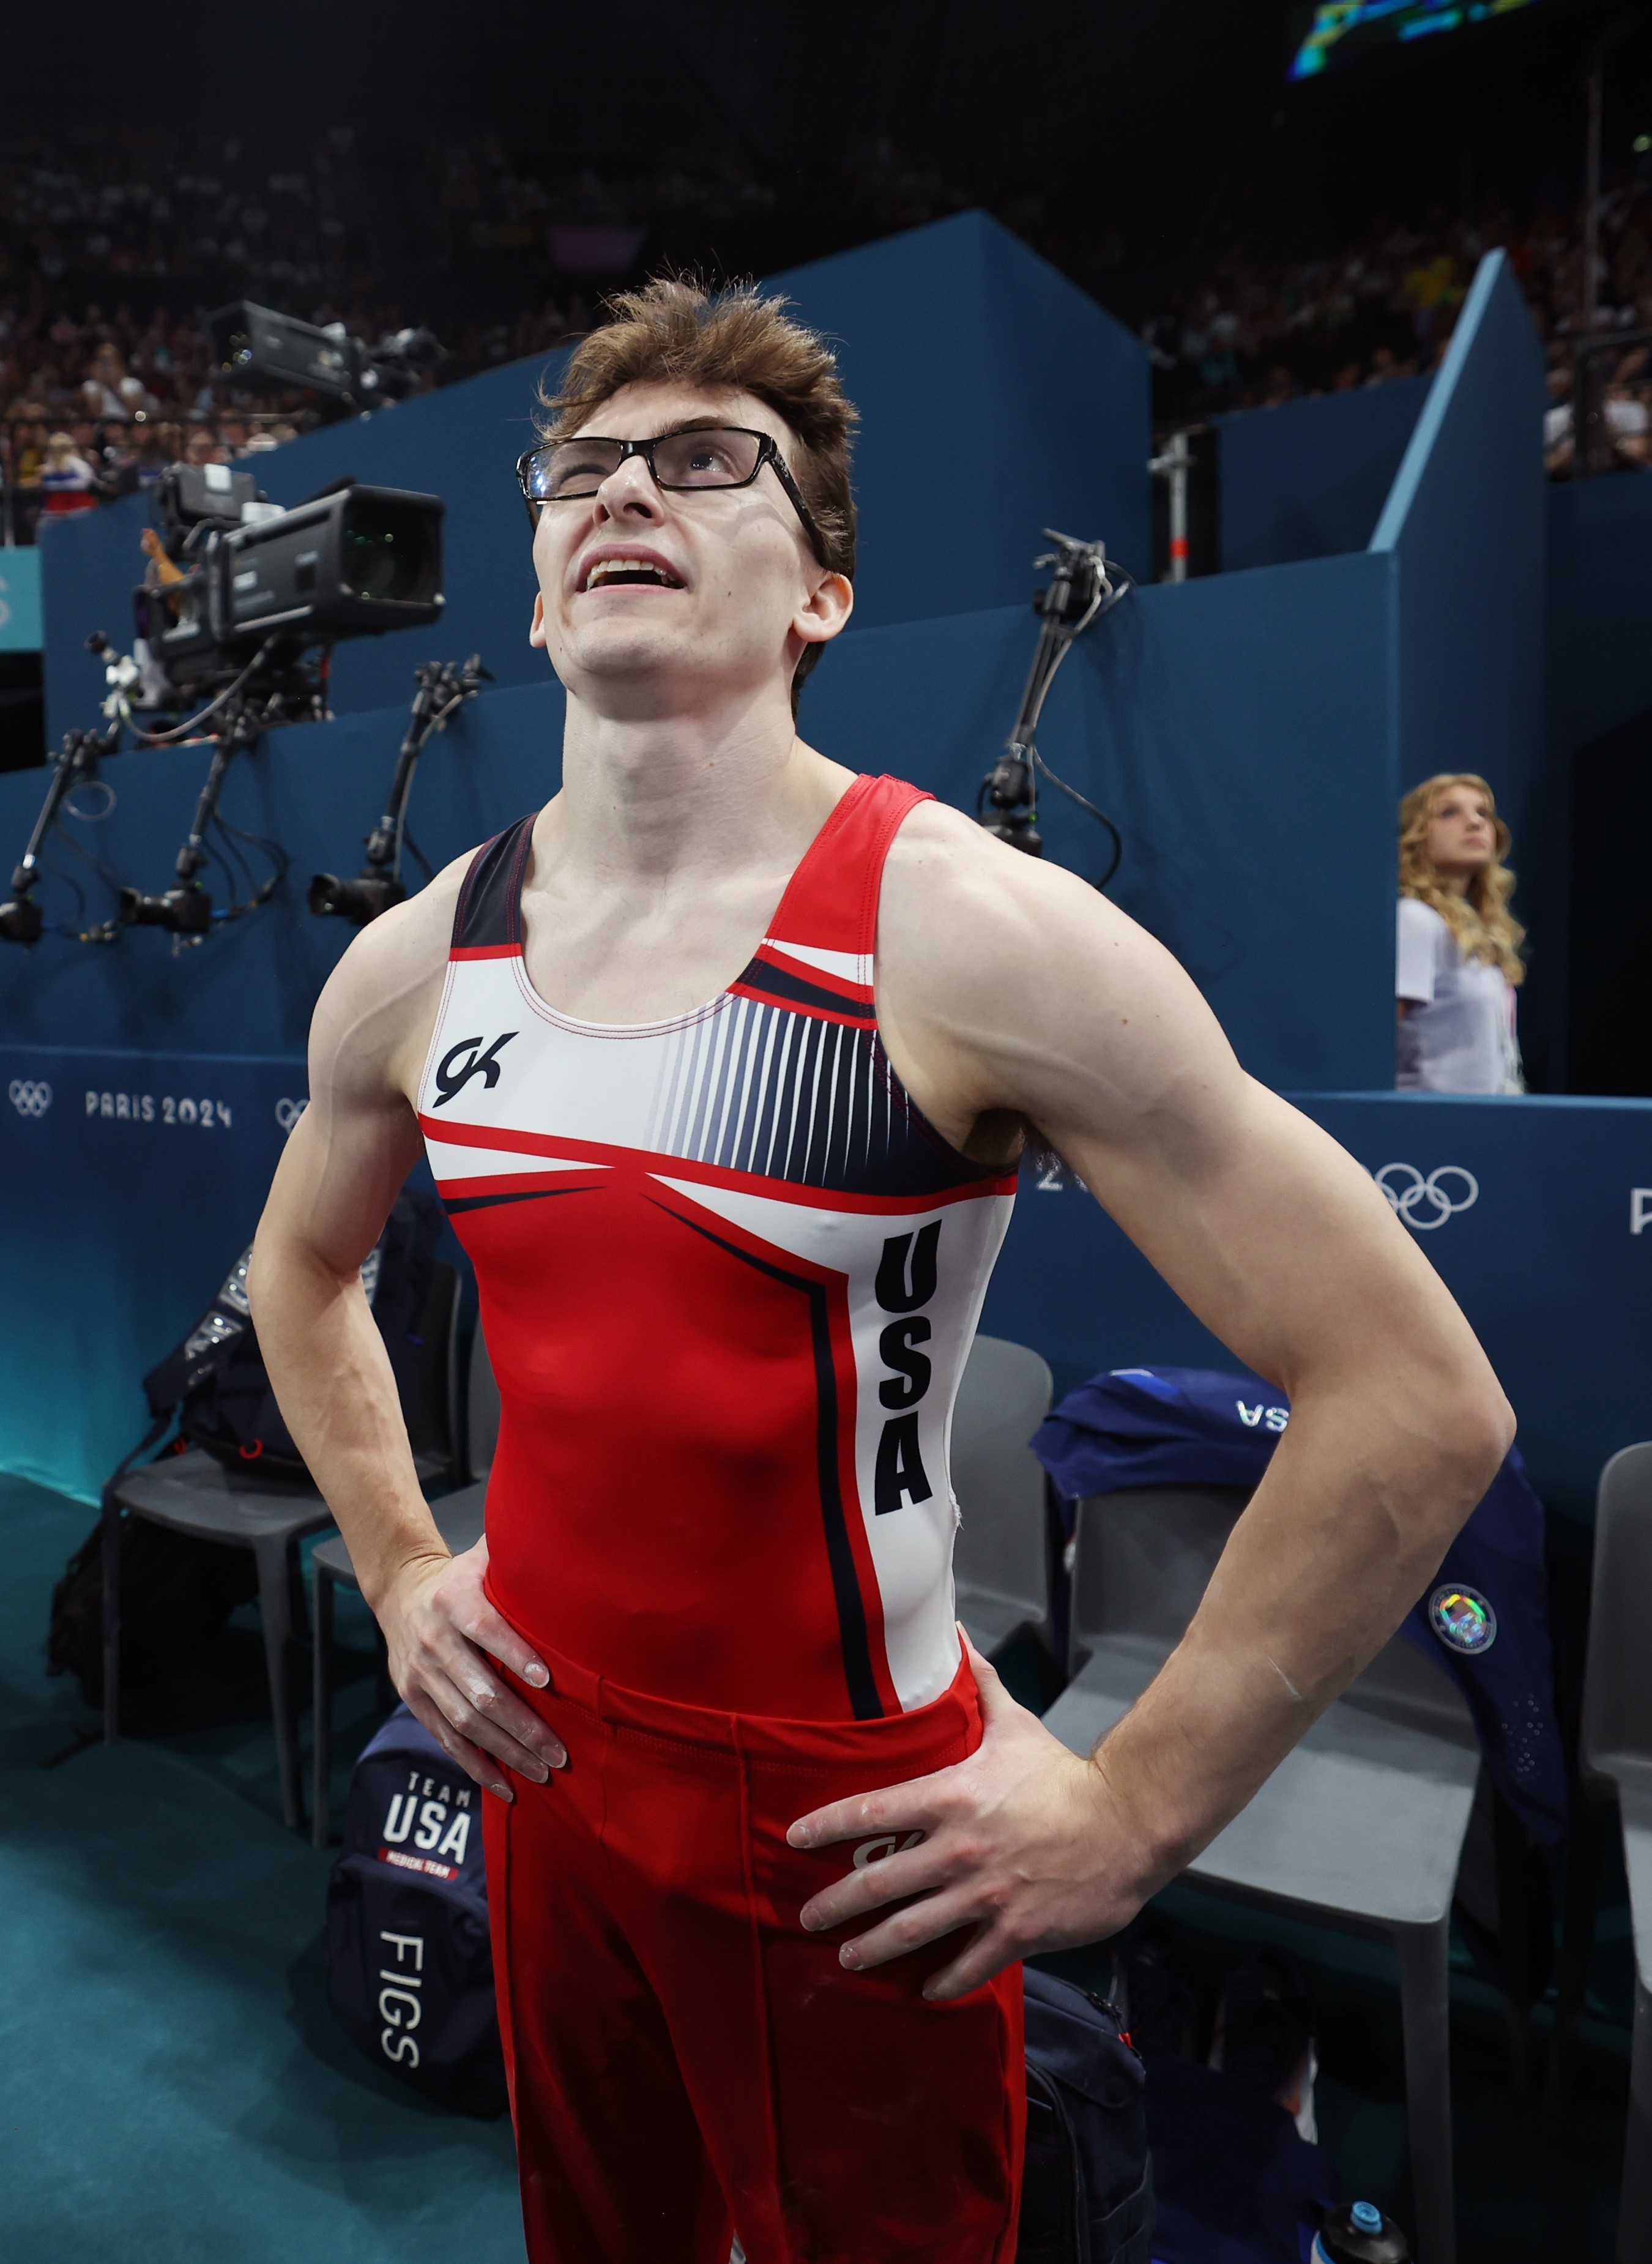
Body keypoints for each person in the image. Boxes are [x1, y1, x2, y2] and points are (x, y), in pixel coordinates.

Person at [248, 280, 1511, 2264]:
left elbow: (1417, 1396)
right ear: (535, 580)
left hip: (848, 1830)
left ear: (821, 589)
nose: (623, 494)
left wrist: (1135, 1807)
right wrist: (407, 1567)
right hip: (546, 1770)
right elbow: (298, 1280)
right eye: (580, 472)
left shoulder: (976, 942)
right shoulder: (419, 963)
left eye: (699, 461)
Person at [1396, 772, 1525, 1093]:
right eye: (1450, 813)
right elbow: (1377, 1040)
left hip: (1483, 1121)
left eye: (1483, 813)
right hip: (1430, 1123)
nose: (1475, 823)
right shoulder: (1416, 919)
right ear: (1416, 834)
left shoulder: (1478, 930)